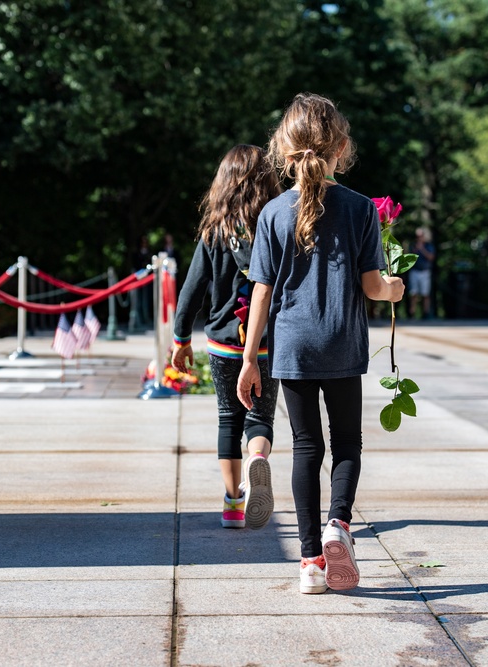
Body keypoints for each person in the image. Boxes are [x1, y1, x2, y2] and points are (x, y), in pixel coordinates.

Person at [236, 93, 404, 595]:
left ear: (283, 148)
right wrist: (394, 287)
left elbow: (261, 292)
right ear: (342, 147)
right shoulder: (359, 209)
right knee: (346, 443)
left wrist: (251, 361)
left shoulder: (271, 213)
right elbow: (375, 287)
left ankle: (310, 563)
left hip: (293, 347)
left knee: (306, 448)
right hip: (341, 342)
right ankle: (339, 525)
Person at [171, 145, 282, 530]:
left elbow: (192, 289)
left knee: (226, 419)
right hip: (267, 342)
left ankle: (234, 503)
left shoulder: (214, 233)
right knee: (260, 415)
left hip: (222, 343)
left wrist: (180, 338)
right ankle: (258, 460)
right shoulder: (277, 226)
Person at [407, 227, 435, 319]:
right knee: (413, 293)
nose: (419, 238)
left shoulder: (428, 246)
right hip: (414, 271)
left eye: (420, 236)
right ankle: (412, 313)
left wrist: (422, 249)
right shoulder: (412, 246)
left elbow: (431, 257)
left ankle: (426, 313)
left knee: (425, 294)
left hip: (425, 272)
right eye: (417, 236)